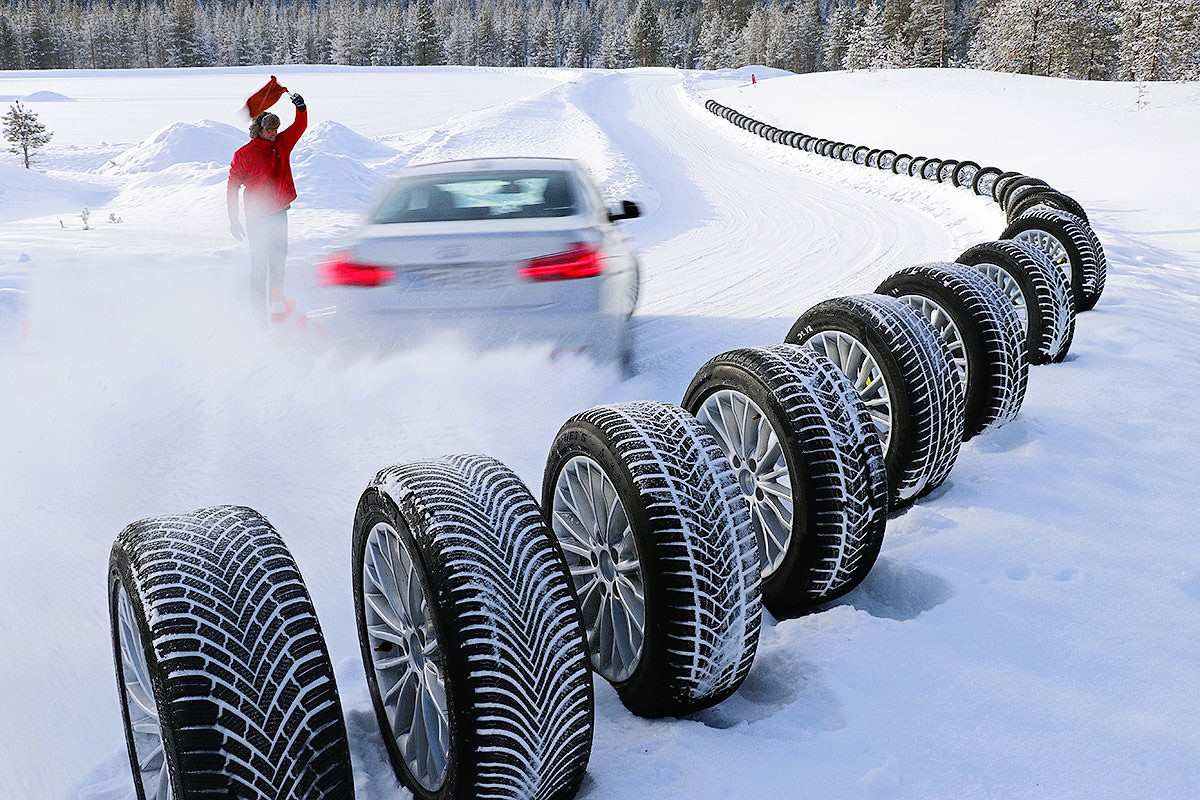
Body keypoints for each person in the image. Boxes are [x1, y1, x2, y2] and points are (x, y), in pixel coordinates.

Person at [226, 91, 307, 320]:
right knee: (260, 264)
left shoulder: (282, 144)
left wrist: (301, 108)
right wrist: (234, 219)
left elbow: (299, 127)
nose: (273, 134)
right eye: (268, 130)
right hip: (257, 218)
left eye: (275, 130)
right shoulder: (243, 155)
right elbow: (232, 188)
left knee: (278, 262)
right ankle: (258, 312)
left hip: (279, 214)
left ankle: (277, 307)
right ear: (259, 130)